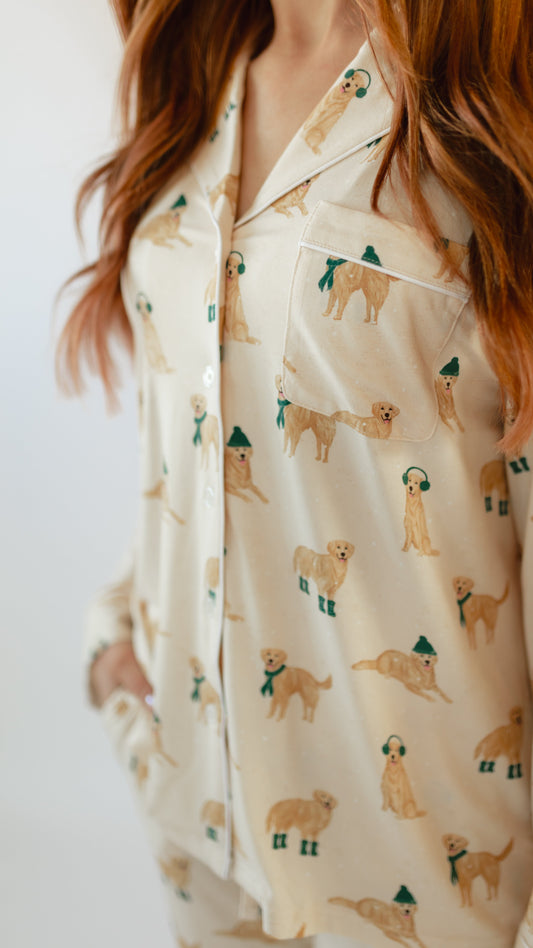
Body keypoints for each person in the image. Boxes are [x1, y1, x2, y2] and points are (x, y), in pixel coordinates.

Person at [55, 1, 533, 946]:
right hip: (195, 828)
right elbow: (208, 424)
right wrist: (116, 633)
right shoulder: (201, 77)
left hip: (425, 886)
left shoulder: (483, 108)